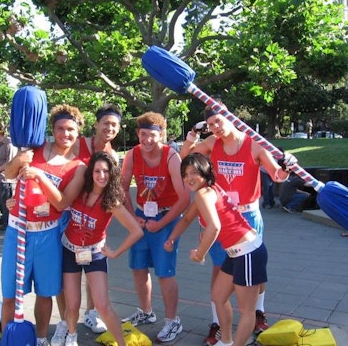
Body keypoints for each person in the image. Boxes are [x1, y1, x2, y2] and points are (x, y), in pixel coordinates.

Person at [180, 106, 297, 343]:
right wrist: (193, 134)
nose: (216, 127)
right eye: (211, 124)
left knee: (256, 274)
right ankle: (218, 324)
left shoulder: (254, 144)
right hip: (220, 215)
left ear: (232, 118)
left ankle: (258, 313)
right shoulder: (213, 142)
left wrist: (288, 166)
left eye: (219, 121)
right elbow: (185, 158)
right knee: (219, 270)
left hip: (248, 215)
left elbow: (277, 176)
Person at [1, 101, 87, 346]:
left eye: (70, 129)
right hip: (17, 230)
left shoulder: (78, 167)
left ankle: (40, 339)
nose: (65, 134)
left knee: (45, 293)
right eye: (60, 128)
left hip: (47, 235)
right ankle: (9, 340)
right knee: (10, 295)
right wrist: (19, 160)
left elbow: (62, 203)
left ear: (78, 132)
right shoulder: (35, 150)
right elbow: (8, 174)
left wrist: (39, 175)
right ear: (52, 129)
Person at [164, 153, 268, 346]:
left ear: (206, 172)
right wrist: (171, 238)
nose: (189, 178)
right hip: (236, 253)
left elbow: (214, 227)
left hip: (248, 253)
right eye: (185, 174)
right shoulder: (206, 192)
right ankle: (226, 341)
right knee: (218, 297)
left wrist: (199, 254)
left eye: (194, 172)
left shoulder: (205, 193)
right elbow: (186, 218)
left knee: (246, 310)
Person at [51, 103, 122, 345]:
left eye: (114, 125)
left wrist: (134, 218)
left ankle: (92, 312)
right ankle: (65, 322)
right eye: (106, 123)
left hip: (90, 218)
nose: (110, 128)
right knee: (65, 276)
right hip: (65, 210)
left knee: (93, 261)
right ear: (96, 125)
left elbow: (117, 191)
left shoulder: (111, 156)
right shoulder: (78, 142)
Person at [120, 111, 190, 343]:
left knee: (164, 272)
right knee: (138, 267)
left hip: (166, 217)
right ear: (137, 134)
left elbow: (184, 198)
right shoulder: (133, 154)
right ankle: (146, 312)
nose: (147, 140)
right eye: (143, 134)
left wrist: (161, 222)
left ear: (161, 135)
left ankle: (173, 321)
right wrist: (133, 217)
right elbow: (121, 187)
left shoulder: (171, 157)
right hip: (141, 214)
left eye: (152, 135)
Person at [61, 151, 143, 346]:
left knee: (103, 305)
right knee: (72, 304)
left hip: (95, 252)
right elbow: (56, 199)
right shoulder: (79, 191)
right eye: (97, 171)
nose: (101, 175)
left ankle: (121, 343)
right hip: (69, 250)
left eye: (106, 171)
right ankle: (71, 336)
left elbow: (136, 231)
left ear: (112, 173)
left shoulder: (111, 201)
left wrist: (115, 252)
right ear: (90, 173)